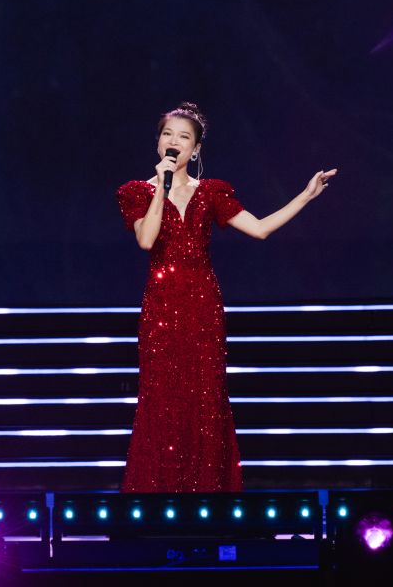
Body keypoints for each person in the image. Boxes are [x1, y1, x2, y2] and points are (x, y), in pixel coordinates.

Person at [116, 102, 336, 492]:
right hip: (161, 308)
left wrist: (305, 196)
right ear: (158, 143)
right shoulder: (136, 192)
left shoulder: (211, 192)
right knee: (162, 399)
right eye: (168, 134)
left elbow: (260, 229)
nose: (174, 141)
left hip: (203, 307)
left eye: (183, 137)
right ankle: (157, 497)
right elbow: (146, 239)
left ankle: (209, 495)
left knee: (206, 399)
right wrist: (160, 189)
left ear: (195, 149)